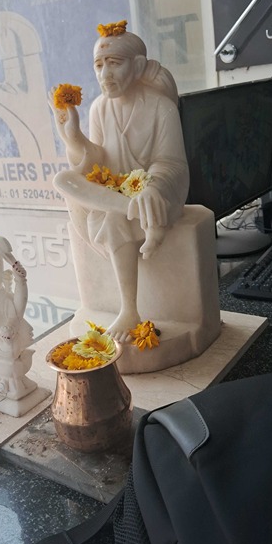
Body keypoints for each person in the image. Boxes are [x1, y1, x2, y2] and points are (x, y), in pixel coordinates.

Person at [49, 21, 189, 339]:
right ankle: (131, 209)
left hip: (156, 193)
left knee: (113, 220)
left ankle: (129, 310)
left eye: (114, 63)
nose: (105, 74)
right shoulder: (99, 108)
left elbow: (172, 163)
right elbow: (97, 160)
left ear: (137, 66)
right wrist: (73, 135)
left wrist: (152, 186)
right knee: (63, 179)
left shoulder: (162, 108)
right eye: (99, 66)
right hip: (119, 194)